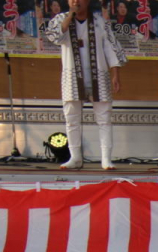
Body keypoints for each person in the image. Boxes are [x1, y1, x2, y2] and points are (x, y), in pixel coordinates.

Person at [45, 0, 128, 170]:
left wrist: (115, 74)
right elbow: (55, 37)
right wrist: (70, 15)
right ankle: (75, 157)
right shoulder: (60, 19)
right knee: (71, 118)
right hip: (72, 75)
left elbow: (110, 48)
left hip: (98, 73)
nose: (76, 2)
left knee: (104, 118)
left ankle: (105, 159)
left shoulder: (99, 21)